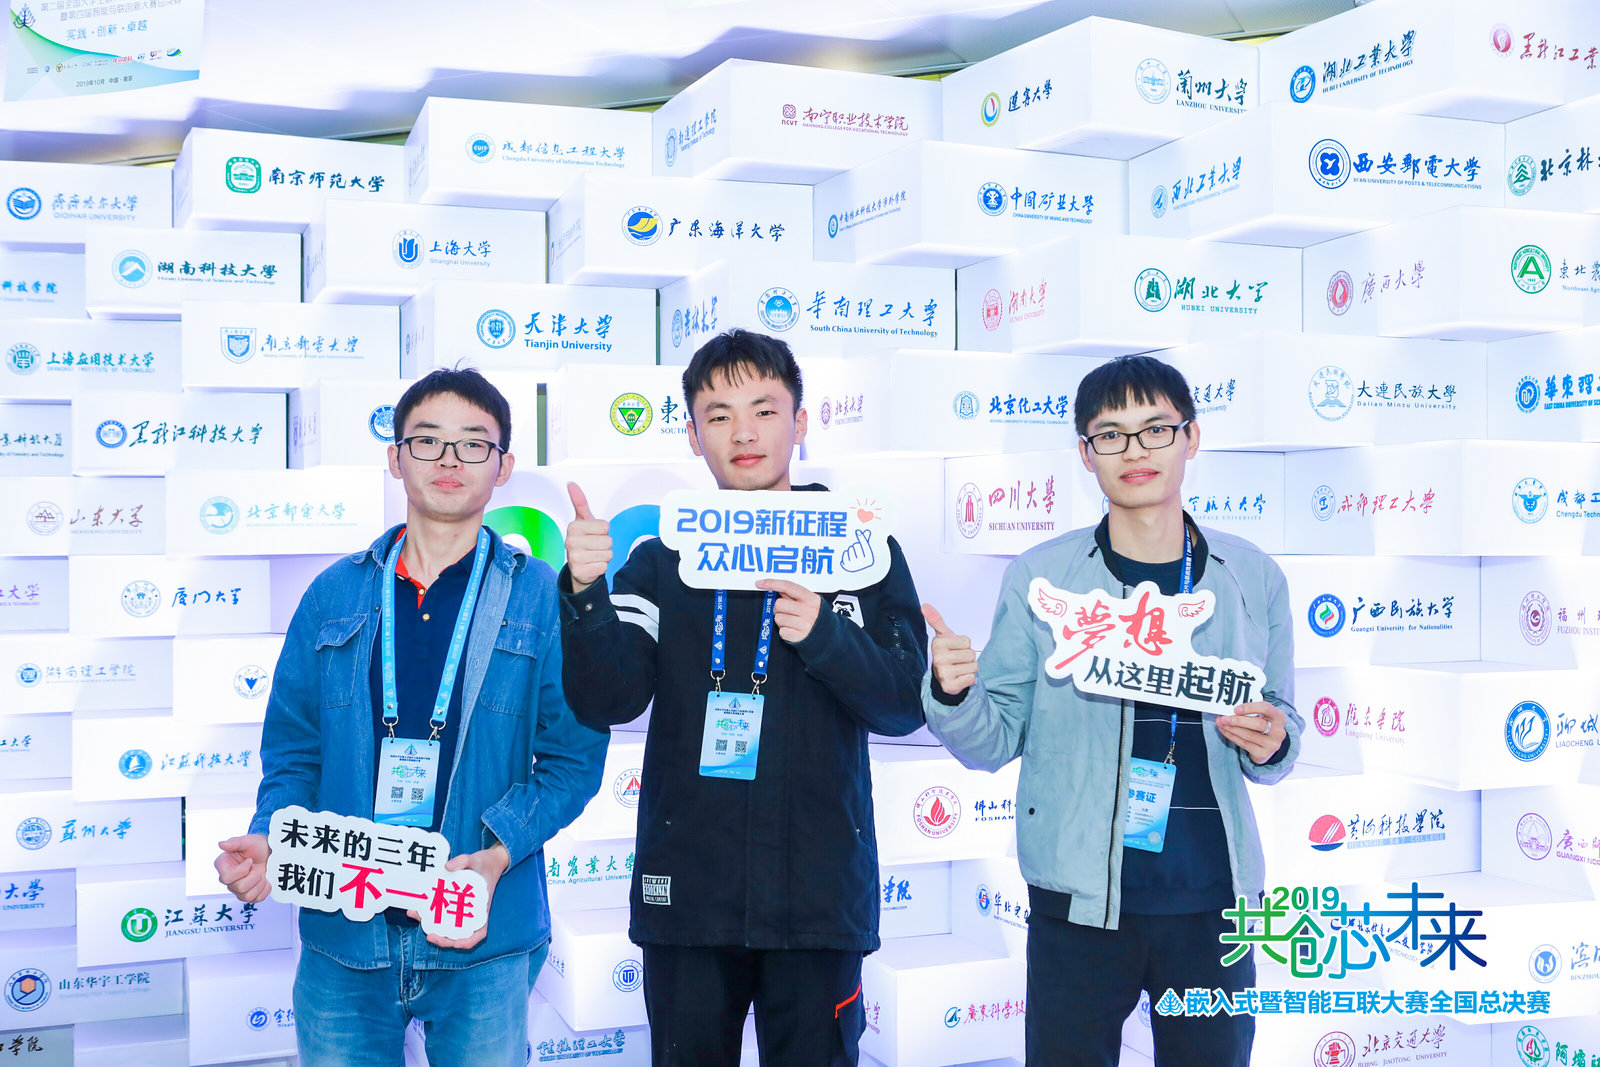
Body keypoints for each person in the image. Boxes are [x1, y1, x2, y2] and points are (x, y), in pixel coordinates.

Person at [215, 368, 609, 1067]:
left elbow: (574, 760)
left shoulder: (541, 599)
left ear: (503, 467)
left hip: (483, 934)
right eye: (427, 441)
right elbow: (294, 750)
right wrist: (276, 837)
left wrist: (495, 855)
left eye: (473, 443)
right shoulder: (334, 593)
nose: (449, 459)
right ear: (395, 458)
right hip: (346, 934)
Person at [558, 329, 929, 1067]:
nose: (744, 432)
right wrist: (586, 591)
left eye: (764, 409)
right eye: (719, 414)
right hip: (689, 897)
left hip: (818, 898)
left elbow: (903, 703)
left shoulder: (860, 549)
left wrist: (825, 634)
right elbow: (611, 698)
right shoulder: (661, 557)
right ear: (693, 435)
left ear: (801, 420)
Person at [921, 354, 1302, 1067]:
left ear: (1191, 437)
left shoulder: (1251, 575)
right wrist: (953, 692)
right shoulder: (1042, 577)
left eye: (1156, 429)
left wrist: (1272, 740)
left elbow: (1280, 724)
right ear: (1085, 454)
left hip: (1213, 899)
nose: (1135, 450)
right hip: (1077, 901)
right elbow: (992, 740)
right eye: (1111, 434)